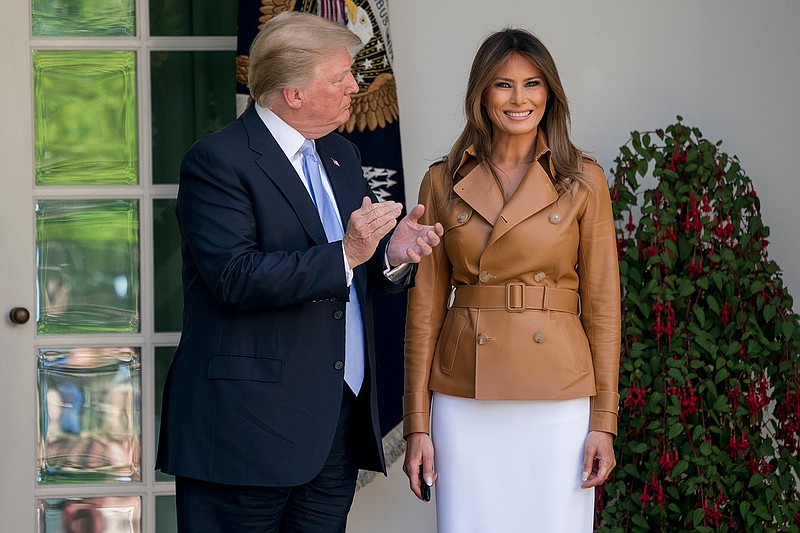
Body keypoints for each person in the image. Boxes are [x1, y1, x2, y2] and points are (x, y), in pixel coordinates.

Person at [156, 11, 443, 532]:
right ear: (294, 93)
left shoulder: (340, 153)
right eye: (339, 77)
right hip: (245, 431)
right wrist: (349, 253)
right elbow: (236, 278)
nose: (355, 86)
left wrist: (391, 255)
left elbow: (350, 265)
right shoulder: (218, 160)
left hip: (332, 425)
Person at [402, 28, 621, 532]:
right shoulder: (443, 179)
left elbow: (605, 309)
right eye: (503, 85)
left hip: (559, 395)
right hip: (464, 394)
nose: (519, 99)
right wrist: (418, 423)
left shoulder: (583, 179)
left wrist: (603, 422)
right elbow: (426, 308)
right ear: (481, 93)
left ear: (550, 94)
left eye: (533, 84)